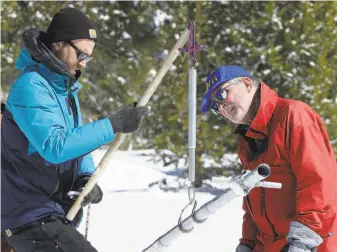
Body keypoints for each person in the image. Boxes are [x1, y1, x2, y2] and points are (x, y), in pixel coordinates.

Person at [1, 7, 149, 252]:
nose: (83, 64)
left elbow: (75, 145)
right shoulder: (31, 86)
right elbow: (55, 146)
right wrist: (113, 125)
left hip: (52, 216)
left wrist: (84, 177)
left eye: (88, 58)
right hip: (29, 215)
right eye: (81, 54)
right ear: (58, 44)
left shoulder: (65, 91)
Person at [200, 65, 337, 252]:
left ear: (247, 84)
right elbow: (252, 199)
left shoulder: (292, 114)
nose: (222, 107)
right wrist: (247, 243)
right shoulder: (248, 138)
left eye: (222, 95)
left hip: (311, 245)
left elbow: (318, 183)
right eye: (216, 107)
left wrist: (302, 243)